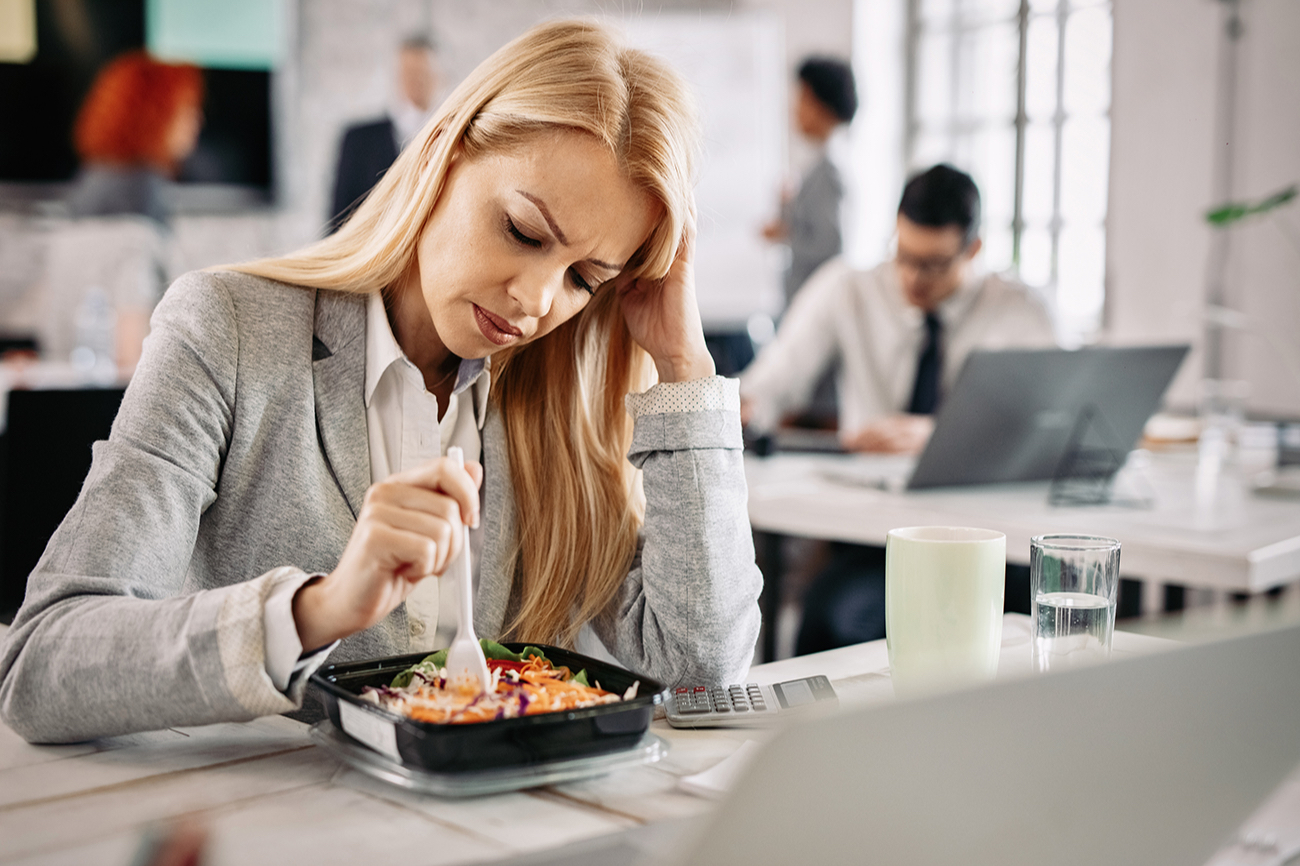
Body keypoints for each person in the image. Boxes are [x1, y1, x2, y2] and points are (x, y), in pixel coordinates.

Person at [0, 20, 762, 744]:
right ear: (446, 155)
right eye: (523, 232)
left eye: (584, 279)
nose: (536, 302)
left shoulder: (567, 403)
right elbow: (43, 663)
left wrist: (685, 368)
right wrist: (316, 610)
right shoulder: (227, 327)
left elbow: (700, 673)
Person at [741, 164, 1056, 654]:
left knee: (1040, 627)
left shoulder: (1019, 310)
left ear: (973, 249)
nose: (912, 277)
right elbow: (771, 384)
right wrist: (735, 405)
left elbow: (1048, 425)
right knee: (833, 617)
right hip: (875, 539)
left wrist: (940, 434)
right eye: (903, 255)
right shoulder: (848, 288)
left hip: (991, 542)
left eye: (933, 263)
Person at [66, 51, 204, 227]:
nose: (197, 120)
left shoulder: (99, 173)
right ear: (156, 115)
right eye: (188, 109)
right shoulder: (140, 187)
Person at [761, 57, 857, 309]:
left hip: (814, 304)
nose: (794, 109)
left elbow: (829, 245)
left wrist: (784, 234)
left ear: (821, 104)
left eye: (802, 99)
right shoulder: (820, 160)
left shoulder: (830, 168)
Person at [329, 36, 442, 230]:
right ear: (397, 76)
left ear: (439, 77)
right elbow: (337, 222)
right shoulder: (358, 140)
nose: (416, 81)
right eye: (409, 73)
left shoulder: (456, 140)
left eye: (423, 73)